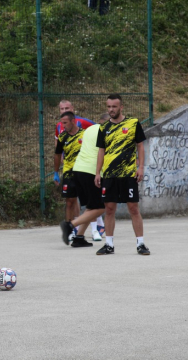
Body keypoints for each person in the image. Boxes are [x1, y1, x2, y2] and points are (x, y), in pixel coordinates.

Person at [94, 93, 149, 255]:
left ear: (121, 107)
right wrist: (98, 172)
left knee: (133, 208)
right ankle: (109, 245)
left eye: (114, 107)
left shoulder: (132, 123)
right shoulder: (103, 128)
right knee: (109, 209)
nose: (111, 109)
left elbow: (140, 146)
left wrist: (140, 167)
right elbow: (101, 151)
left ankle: (141, 244)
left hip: (128, 175)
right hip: (110, 176)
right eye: (109, 107)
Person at [60, 113, 110, 245]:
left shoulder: (90, 129)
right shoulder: (107, 131)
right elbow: (104, 152)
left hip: (78, 169)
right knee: (101, 207)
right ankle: (70, 225)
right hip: (91, 171)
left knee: (91, 207)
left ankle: (79, 238)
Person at [54, 111, 92, 247]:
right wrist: (55, 172)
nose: (62, 126)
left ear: (73, 121)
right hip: (69, 173)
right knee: (70, 202)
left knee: (89, 205)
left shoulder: (84, 135)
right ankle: (69, 231)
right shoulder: (62, 137)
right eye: (61, 123)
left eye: (65, 123)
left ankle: (81, 233)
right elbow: (57, 154)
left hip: (84, 172)